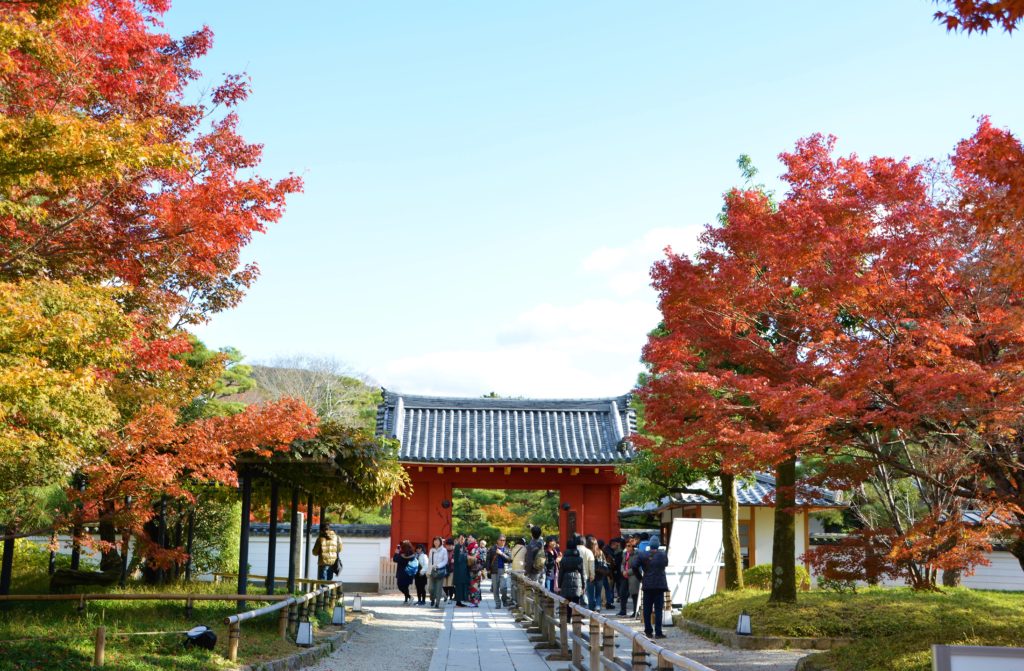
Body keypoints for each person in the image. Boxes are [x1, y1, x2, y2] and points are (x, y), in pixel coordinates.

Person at [631, 543, 669, 638]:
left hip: (647, 585)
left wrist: (640, 578)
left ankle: (648, 631)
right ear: (658, 546)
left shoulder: (642, 555)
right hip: (659, 585)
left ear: (650, 546)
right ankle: (658, 632)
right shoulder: (663, 555)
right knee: (658, 609)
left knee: (647, 609)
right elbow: (666, 564)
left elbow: (634, 566)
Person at [558, 537, 586, 618]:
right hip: (577, 580)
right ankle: (576, 619)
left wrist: (559, 585)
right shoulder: (579, 559)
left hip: (565, 580)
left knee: (567, 601)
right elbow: (582, 573)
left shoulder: (563, 559)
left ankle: (568, 618)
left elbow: (561, 573)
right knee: (576, 601)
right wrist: (583, 585)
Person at [617, 537, 640, 617]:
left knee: (634, 594)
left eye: (629, 546)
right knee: (622, 593)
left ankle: (635, 611)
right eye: (627, 546)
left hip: (633, 576)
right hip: (625, 576)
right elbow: (622, 564)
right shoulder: (625, 553)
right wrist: (623, 571)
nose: (628, 547)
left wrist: (627, 572)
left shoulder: (637, 554)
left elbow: (636, 567)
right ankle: (623, 610)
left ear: (633, 546)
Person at [489, 534, 512, 608]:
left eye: (504, 540)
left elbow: (510, 559)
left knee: (503, 588)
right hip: (494, 570)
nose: (502, 542)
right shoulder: (492, 549)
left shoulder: (507, 549)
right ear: (498, 541)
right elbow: (488, 559)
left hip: (504, 570)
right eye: (501, 540)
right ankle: (498, 604)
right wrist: (488, 569)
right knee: (495, 589)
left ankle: (504, 600)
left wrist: (502, 553)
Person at [393, 540, 418, 605]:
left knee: (400, 586)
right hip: (409, 573)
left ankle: (409, 597)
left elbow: (395, 559)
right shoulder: (412, 555)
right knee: (406, 586)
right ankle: (406, 600)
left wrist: (396, 553)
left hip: (402, 573)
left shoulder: (401, 555)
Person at [428, 536, 448, 608]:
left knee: (439, 588)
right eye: (435, 541)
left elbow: (445, 561)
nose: (436, 542)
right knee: (430, 588)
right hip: (432, 571)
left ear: (440, 542)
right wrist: (428, 571)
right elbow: (429, 561)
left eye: (437, 541)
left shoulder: (444, 550)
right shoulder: (431, 550)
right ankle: (432, 599)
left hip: (440, 571)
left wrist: (438, 566)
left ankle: (437, 603)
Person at [466, 535, 484, 607]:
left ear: (474, 539)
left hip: (475, 569)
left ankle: (475, 601)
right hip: (473, 569)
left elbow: (473, 558)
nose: (469, 539)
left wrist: (467, 557)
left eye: (471, 537)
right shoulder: (470, 547)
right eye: (468, 538)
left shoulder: (475, 547)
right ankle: (474, 601)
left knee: (475, 586)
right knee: (473, 585)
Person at [452, 534, 470, 607]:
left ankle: (460, 601)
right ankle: (458, 601)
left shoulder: (464, 547)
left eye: (463, 538)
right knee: (459, 585)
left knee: (462, 585)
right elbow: (457, 558)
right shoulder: (457, 546)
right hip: (458, 569)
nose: (462, 540)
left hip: (463, 568)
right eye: (460, 538)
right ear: (458, 539)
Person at [443, 537, 456, 602]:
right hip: (444, 569)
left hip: (452, 570)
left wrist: (454, 560)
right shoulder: (444, 551)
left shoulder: (455, 552)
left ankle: (451, 596)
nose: (449, 546)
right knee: (444, 584)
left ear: (453, 545)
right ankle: (445, 596)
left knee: (450, 584)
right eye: (448, 545)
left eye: (450, 545)